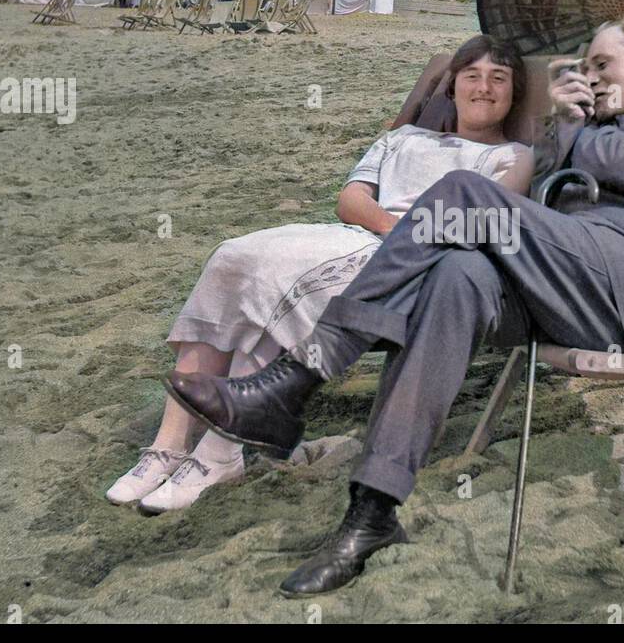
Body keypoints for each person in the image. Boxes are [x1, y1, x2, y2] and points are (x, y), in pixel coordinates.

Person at [165, 14, 624, 596]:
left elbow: (613, 162)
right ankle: (371, 512)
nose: (593, 77)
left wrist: (573, 120)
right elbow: (549, 201)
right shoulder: (595, 129)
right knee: (458, 274)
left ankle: (297, 379)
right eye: (585, 69)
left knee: (462, 192)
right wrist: (564, 128)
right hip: (576, 286)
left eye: (603, 64)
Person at [107, 35, 534, 512]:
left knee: (275, 283)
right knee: (233, 257)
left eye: (499, 79)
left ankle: (219, 454)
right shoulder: (402, 138)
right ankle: (168, 445)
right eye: (472, 76)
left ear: (514, 94)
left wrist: (405, 238)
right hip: (367, 235)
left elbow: (489, 215)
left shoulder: (512, 156)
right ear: (452, 87)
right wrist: (395, 227)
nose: (484, 87)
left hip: (411, 264)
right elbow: (350, 200)